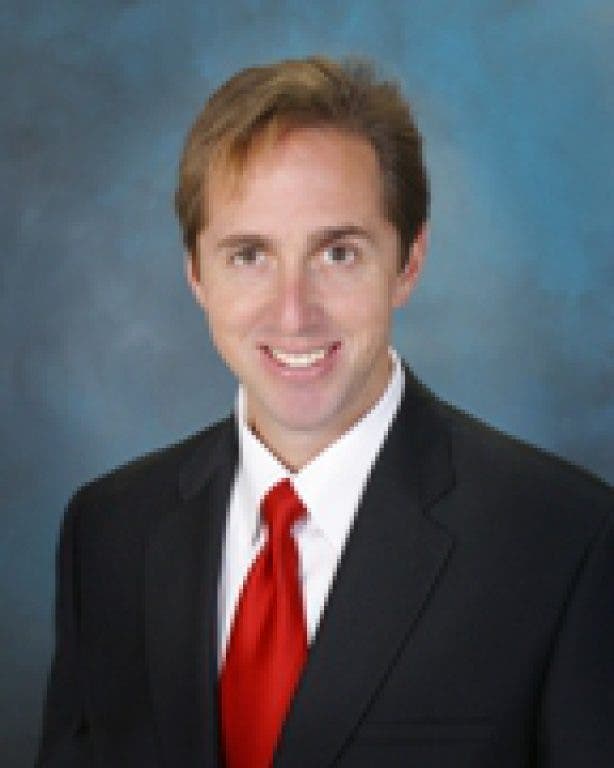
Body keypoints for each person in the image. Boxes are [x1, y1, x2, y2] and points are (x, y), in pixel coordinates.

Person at [36, 56, 613, 768]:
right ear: (196, 275)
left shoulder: (565, 542)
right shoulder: (107, 533)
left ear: (408, 262)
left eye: (338, 253)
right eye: (249, 255)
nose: (294, 313)